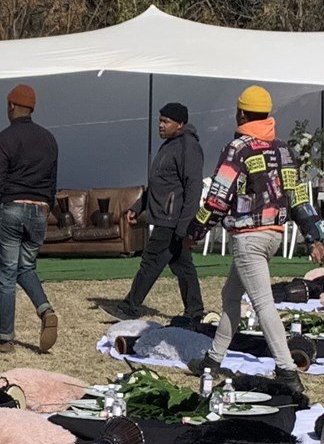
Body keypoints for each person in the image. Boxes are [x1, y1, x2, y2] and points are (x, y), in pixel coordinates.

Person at [194, 85, 296, 368]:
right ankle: (213, 359)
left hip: (249, 237)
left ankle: (287, 370)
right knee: (230, 295)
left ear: (241, 113)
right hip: (274, 235)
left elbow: (218, 198)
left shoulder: (237, 149)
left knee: (262, 304)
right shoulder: (283, 150)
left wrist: (195, 231)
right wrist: (313, 236)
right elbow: (296, 194)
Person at [0, 82, 59, 349]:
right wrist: (46, 207)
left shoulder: (4, 139)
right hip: (39, 211)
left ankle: (5, 339)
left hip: (10, 210)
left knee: (6, 275)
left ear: (11, 105)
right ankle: (45, 310)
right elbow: (52, 181)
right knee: (26, 267)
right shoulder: (49, 139)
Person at [121, 101, 206, 322]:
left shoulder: (189, 147)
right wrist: (137, 207)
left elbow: (193, 187)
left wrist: (185, 225)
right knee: (182, 266)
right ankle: (195, 311)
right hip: (166, 219)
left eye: (166, 121)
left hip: (173, 220)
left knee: (150, 261)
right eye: (160, 120)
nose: (160, 125)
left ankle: (129, 307)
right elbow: (159, 184)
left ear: (180, 124)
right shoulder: (168, 145)